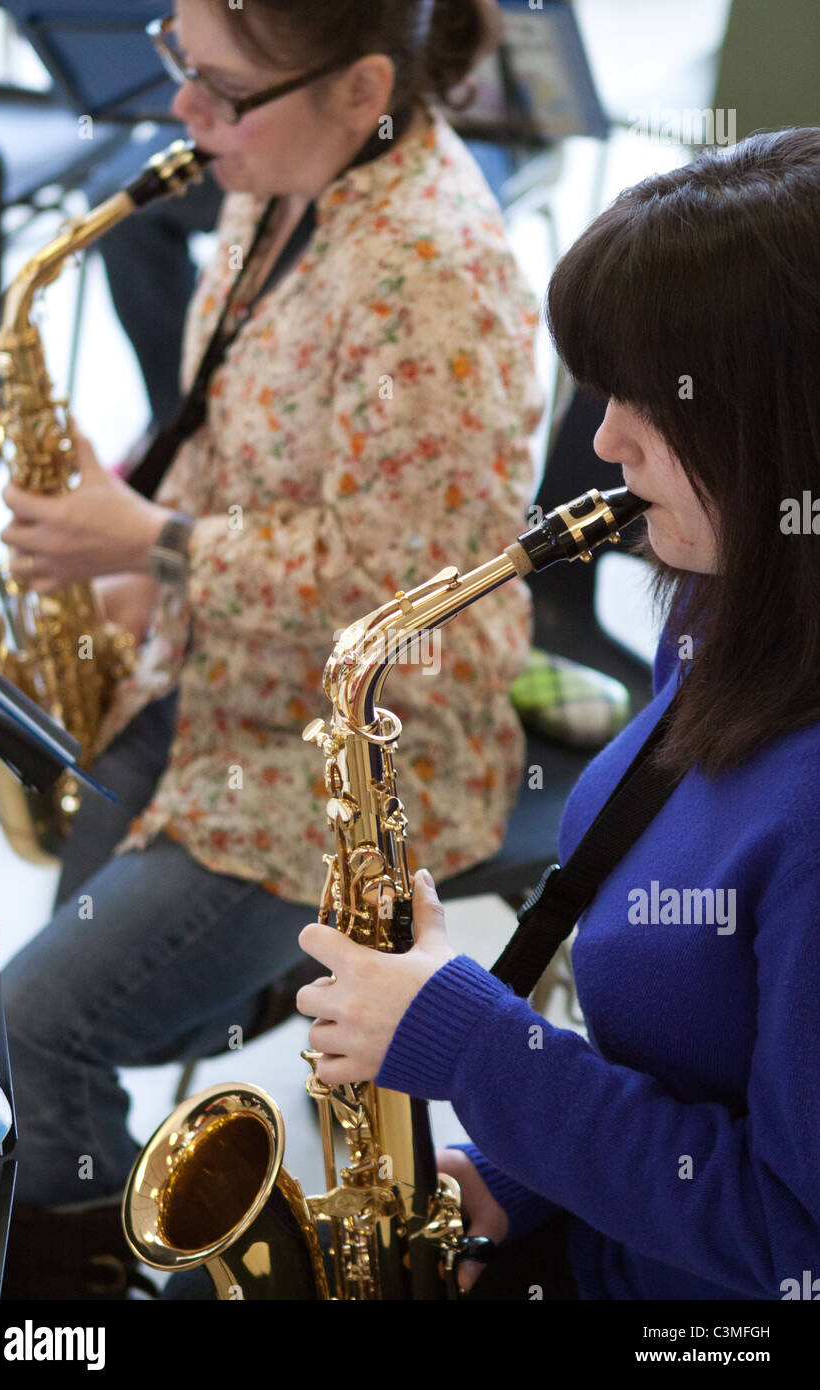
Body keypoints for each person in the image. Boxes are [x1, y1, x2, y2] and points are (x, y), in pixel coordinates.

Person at [0, 0, 544, 1298]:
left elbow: (409, 585)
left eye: (222, 88)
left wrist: (161, 541)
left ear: (362, 89)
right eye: (179, 58)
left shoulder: (436, 275)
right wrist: (130, 536)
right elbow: (236, 410)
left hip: (354, 747)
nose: (181, 109)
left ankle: (88, 1286)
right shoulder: (278, 169)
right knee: (50, 991)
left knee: (41, 1017)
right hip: (213, 680)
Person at [297, 127, 820, 1301]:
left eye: (652, 402)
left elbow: (797, 1248)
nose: (601, 442)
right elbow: (703, 1078)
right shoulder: (733, 602)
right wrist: (522, 1175)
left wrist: (476, 1045)